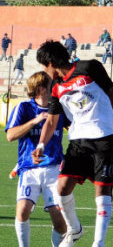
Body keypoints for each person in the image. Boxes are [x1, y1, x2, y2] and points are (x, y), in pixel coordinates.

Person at [31, 40, 113, 247]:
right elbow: (51, 120)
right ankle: (75, 229)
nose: (44, 71)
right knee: (61, 188)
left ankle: (99, 242)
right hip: (78, 142)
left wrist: (108, 120)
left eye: (44, 66)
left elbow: (110, 91)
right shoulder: (56, 87)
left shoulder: (90, 67)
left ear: (50, 62)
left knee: (102, 193)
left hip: (103, 139)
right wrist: (41, 145)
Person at [5, 71, 68, 247]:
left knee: (60, 220)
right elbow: (10, 135)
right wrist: (34, 121)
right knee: (23, 210)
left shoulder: (59, 109)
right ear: (40, 88)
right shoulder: (23, 108)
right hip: (29, 168)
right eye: (50, 84)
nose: (54, 86)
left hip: (53, 169)